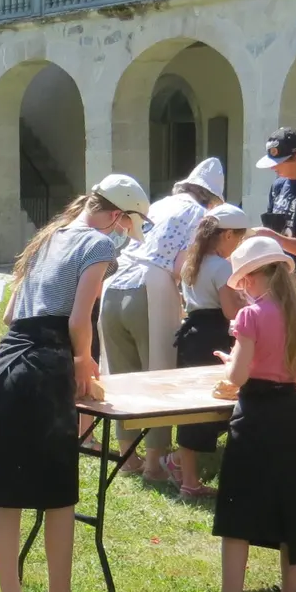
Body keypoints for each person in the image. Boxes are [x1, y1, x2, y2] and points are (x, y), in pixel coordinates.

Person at [0, 175, 149, 592]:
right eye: (125, 227)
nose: (122, 235)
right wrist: (84, 361)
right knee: (58, 491)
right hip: (47, 363)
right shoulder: (98, 245)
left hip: (8, 357)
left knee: (5, 490)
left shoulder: (48, 237)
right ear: (118, 216)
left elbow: (11, 312)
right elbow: (79, 317)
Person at [204, 236, 296, 592]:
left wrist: (232, 363)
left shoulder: (251, 316)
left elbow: (238, 376)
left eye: (243, 282)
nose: (243, 290)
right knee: (290, 501)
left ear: (255, 277)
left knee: (238, 505)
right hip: (290, 410)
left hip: (254, 412)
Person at [101, 157, 225, 480]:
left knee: (122, 377)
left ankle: (127, 457)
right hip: (150, 287)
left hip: (114, 284)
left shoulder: (158, 205)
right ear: (211, 198)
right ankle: (154, 463)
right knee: (159, 375)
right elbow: (181, 266)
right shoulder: (201, 216)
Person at [168, 202, 251, 499]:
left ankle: (185, 472)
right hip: (213, 335)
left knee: (191, 408)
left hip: (192, 332)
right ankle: (188, 477)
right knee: (215, 404)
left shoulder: (194, 260)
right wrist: (248, 303)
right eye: (239, 239)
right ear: (227, 235)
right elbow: (230, 311)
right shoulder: (221, 266)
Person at [251, 127, 296, 265]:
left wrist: (269, 235)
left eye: (279, 162)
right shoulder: (277, 186)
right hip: (274, 270)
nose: (273, 167)